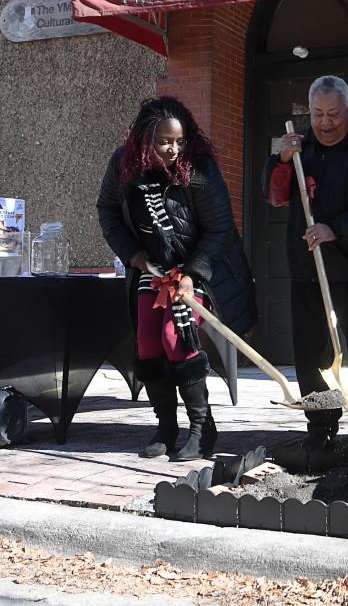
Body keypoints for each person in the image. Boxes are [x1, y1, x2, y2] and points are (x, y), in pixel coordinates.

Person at [97, 96, 256, 461]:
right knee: (148, 343)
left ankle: (202, 428)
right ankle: (166, 426)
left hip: (199, 266)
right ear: (143, 139)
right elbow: (107, 210)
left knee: (176, 336)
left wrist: (191, 274)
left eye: (179, 141)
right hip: (151, 268)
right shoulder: (122, 164)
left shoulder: (199, 168)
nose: (173, 149)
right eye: (164, 141)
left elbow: (220, 230)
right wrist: (132, 254)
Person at [264, 75, 348, 455]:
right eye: (318, 114)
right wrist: (282, 161)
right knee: (311, 354)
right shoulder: (299, 147)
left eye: (333, 114)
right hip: (308, 268)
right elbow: (273, 195)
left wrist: (335, 229)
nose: (324, 122)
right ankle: (321, 426)